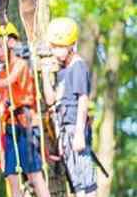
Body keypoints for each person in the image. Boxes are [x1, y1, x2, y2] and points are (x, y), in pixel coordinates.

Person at [0, 21, 50, 197]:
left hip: (26, 125)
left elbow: (9, 81)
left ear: (11, 43)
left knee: (34, 174)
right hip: (10, 128)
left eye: (0, 46)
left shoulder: (20, 64)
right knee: (11, 174)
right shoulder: (1, 72)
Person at [41, 17, 97, 197]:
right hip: (64, 130)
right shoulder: (62, 70)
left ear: (71, 45)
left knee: (86, 181)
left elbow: (83, 99)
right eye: (54, 46)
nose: (56, 51)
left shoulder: (78, 66)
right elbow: (51, 100)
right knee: (77, 183)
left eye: (60, 47)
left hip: (75, 127)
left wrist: (80, 132)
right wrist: (45, 74)